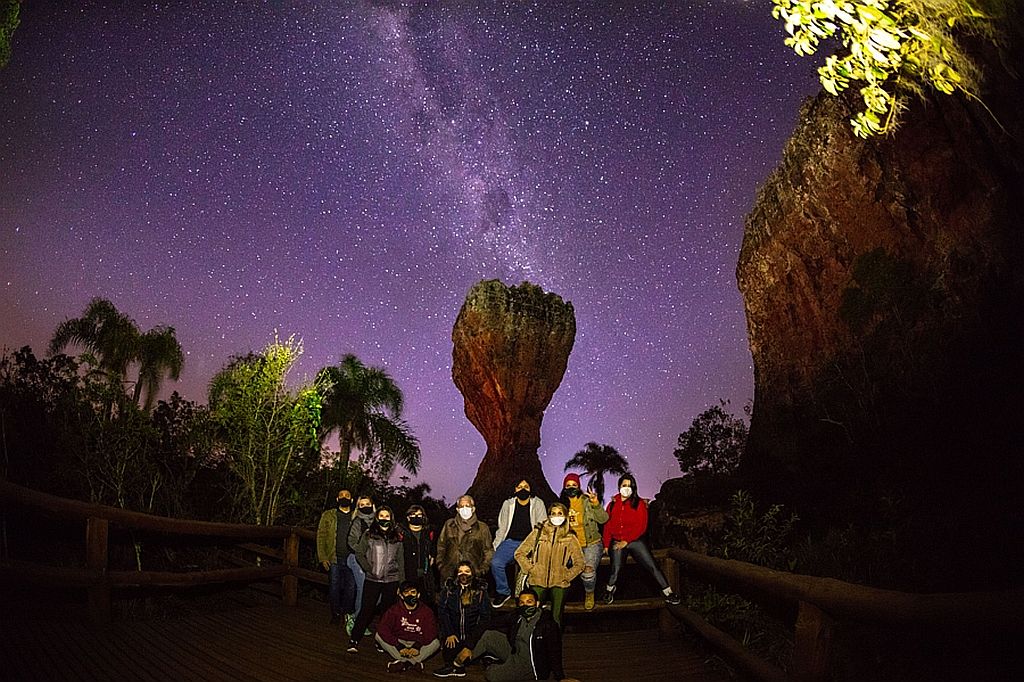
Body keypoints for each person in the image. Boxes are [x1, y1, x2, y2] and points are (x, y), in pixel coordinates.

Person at [433, 588, 577, 681]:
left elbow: (555, 651)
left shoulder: (547, 624)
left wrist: (560, 677)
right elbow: (486, 624)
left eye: (529, 602)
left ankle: (496, 663)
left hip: (531, 665)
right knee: (489, 635)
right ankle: (456, 665)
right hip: (515, 651)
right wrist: (469, 647)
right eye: (522, 603)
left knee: (491, 674)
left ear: (537, 604)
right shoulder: (517, 616)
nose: (525, 605)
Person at [602, 474, 681, 606]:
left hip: (634, 540)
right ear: (619, 486)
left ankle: (668, 592)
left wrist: (626, 541)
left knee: (652, 565)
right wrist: (606, 544)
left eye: (629, 486)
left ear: (633, 488)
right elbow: (607, 526)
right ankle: (609, 590)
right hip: (617, 541)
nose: (626, 488)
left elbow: (641, 526)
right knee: (615, 568)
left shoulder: (639, 504)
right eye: (624, 485)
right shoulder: (612, 505)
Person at [513, 502, 583, 626]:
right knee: (532, 614)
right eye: (553, 513)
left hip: (559, 582)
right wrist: (532, 569)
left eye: (560, 513)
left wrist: (566, 575)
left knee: (556, 617)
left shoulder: (570, 537)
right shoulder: (538, 533)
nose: (556, 516)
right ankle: (531, 642)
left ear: (565, 516)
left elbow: (580, 563)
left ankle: (554, 642)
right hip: (537, 579)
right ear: (549, 516)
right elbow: (519, 553)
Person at [347, 506, 405, 653]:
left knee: (386, 613)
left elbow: (401, 561)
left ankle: (382, 641)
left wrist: (401, 583)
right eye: (381, 516)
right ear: (377, 518)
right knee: (366, 609)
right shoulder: (369, 534)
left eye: (387, 516)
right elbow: (359, 553)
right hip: (373, 579)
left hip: (391, 580)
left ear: (391, 518)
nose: (384, 518)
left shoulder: (397, 537)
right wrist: (368, 568)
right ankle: (354, 639)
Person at [490, 479, 547, 607]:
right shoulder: (508, 504)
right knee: (496, 563)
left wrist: (540, 546)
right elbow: (502, 526)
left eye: (526, 486)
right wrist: (496, 546)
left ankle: (533, 596)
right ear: (515, 489)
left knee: (532, 567)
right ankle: (503, 591)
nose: (523, 489)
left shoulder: (538, 503)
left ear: (530, 489)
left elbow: (542, 526)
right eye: (519, 486)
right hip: (511, 541)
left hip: (530, 542)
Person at [559, 473, 609, 610]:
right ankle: (558, 598)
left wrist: (596, 504)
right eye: (568, 485)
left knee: (588, 571)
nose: (571, 487)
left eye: (574, 485)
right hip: (570, 545)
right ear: (563, 488)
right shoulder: (561, 505)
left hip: (591, 543)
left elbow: (603, 519)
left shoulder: (587, 501)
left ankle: (589, 593)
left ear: (579, 487)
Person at [375, 580, 441, 672]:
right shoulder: (394, 610)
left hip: (418, 643)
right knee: (378, 636)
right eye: (406, 593)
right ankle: (413, 662)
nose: (410, 595)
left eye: (413, 592)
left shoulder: (426, 612)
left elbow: (431, 632)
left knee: (435, 643)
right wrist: (399, 646)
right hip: (398, 642)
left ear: (418, 595)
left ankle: (404, 663)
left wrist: (417, 646)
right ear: (401, 596)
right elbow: (382, 628)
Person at [435, 561, 491, 669]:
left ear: (472, 573)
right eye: (460, 571)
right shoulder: (449, 590)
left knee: (468, 661)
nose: (463, 574)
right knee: (449, 660)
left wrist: (470, 643)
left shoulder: (480, 592)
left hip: (473, 637)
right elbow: (443, 612)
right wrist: (449, 633)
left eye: (467, 571)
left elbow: (485, 618)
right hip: (454, 636)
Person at [316, 488, 357, 626]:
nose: (344, 497)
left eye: (347, 495)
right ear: (337, 499)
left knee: (351, 589)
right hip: (334, 558)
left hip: (352, 560)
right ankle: (335, 614)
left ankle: (346, 614)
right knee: (334, 587)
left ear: (352, 500)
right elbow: (321, 536)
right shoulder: (328, 515)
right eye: (341, 495)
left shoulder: (356, 516)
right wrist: (322, 557)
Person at [436, 495, 494, 582]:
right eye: (461, 506)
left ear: (473, 509)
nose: (464, 509)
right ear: (457, 510)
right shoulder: (449, 525)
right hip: (449, 575)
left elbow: (488, 551)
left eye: (467, 506)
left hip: (473, 576)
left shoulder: (482, 528)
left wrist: (481, 570)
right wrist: (441, 567)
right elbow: (441, 546)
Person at [346, 494, 376, 635]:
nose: (365, 507)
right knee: (363, 588)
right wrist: (362, 552)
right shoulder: (357, 522)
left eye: (367, 504)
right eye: (361, 505)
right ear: (358, 507)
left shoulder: (378, 520)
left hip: (374, 561)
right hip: (356, 559)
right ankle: (356, 619)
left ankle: (360, 617)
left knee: (377, 592)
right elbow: (351, 542)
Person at [402, 503, 438, 604]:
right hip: (407, 575)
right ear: (408, 518)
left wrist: (432, 556)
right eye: (413, 515)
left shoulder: (429, 533)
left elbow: (433, 549)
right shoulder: (402, 534)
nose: (416, 517)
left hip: (425, 577)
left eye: (419, 515)